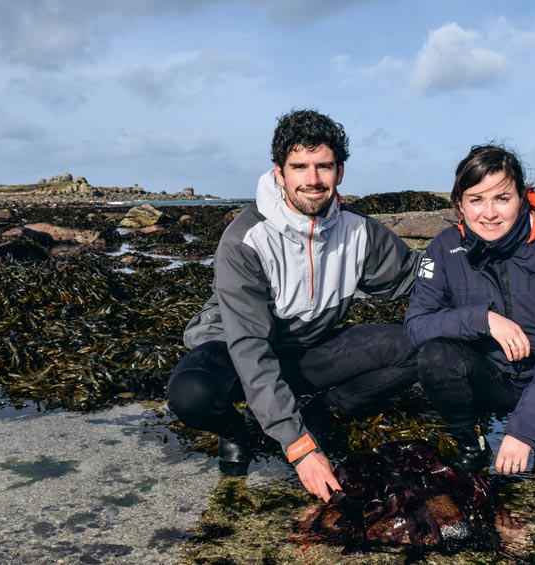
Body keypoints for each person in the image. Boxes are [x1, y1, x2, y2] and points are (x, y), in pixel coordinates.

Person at [167, 109, 422, 501]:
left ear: (340, 171)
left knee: (418, 345)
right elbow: (250, 348)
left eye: (324, 166)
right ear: (279, 172)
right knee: (192, 395)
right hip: (235, 350)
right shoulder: (245, 240)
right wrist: (299, 446)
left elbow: (415, 276)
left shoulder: (360, 230)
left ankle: (321, 414)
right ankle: (237, 431)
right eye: (299, 166)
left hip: (308, 351)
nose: (313, 179)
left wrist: (486, 301)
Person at [404, 144, 535, 474]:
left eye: (502, 198)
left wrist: (524, 428)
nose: (489, 213)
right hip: (488, 374)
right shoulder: (444, 247)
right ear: (460, 203)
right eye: (476, 200)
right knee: (435, 356)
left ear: (522, 198)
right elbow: (416, 326)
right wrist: (481, 320)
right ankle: (472, 442)